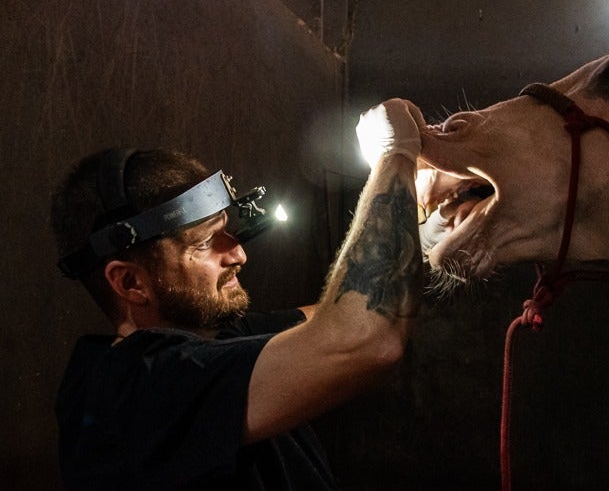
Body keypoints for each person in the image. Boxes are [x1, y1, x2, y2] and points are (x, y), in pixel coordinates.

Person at [50, 99, 426, 490]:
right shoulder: (134, 395)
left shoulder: (214, 337)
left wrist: (424, 232)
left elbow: (348, 308)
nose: (239, 255)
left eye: (227, 230)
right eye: (205, 242)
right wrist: (394, 156)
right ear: (130, 282)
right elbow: (365, 335)